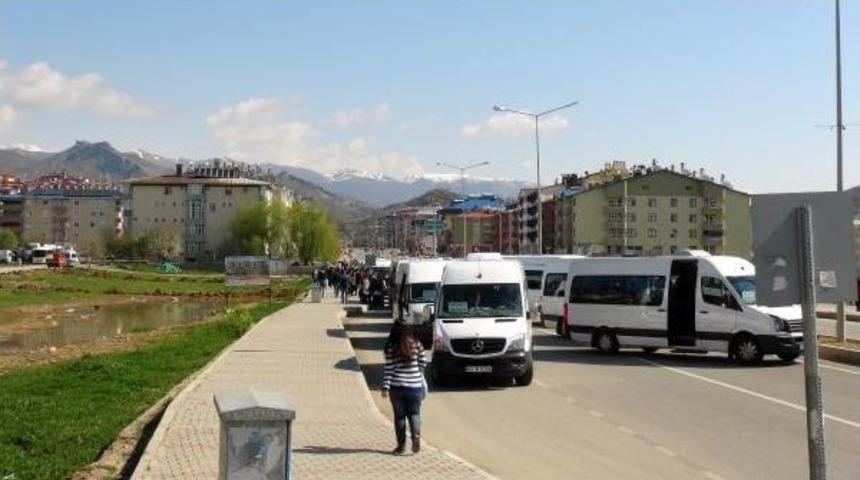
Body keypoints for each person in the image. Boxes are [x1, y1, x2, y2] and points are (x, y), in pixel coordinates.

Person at [381, 322, 427, 455]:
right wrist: (418, 373)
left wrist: (385, 387)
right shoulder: (416, 344)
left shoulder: (391, 347)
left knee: (400, 417)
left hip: (397, 388)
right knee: (414, 414)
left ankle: (401, 447)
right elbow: (423, 361)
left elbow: (389, 369)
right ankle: (416, 436)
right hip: (415, 387)